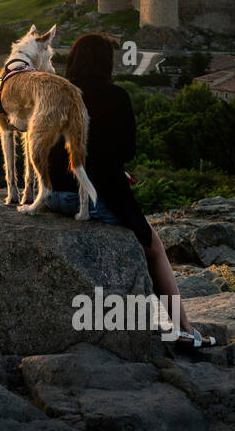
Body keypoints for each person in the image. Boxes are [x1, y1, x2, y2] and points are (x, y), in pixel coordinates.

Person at [44, 33, 213, 348]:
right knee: (154, 248)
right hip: (88, 198)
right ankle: (185, 330)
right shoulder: (116, 96)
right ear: (106, 63)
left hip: (53, 196)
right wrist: (114, 171)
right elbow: (125, 149)